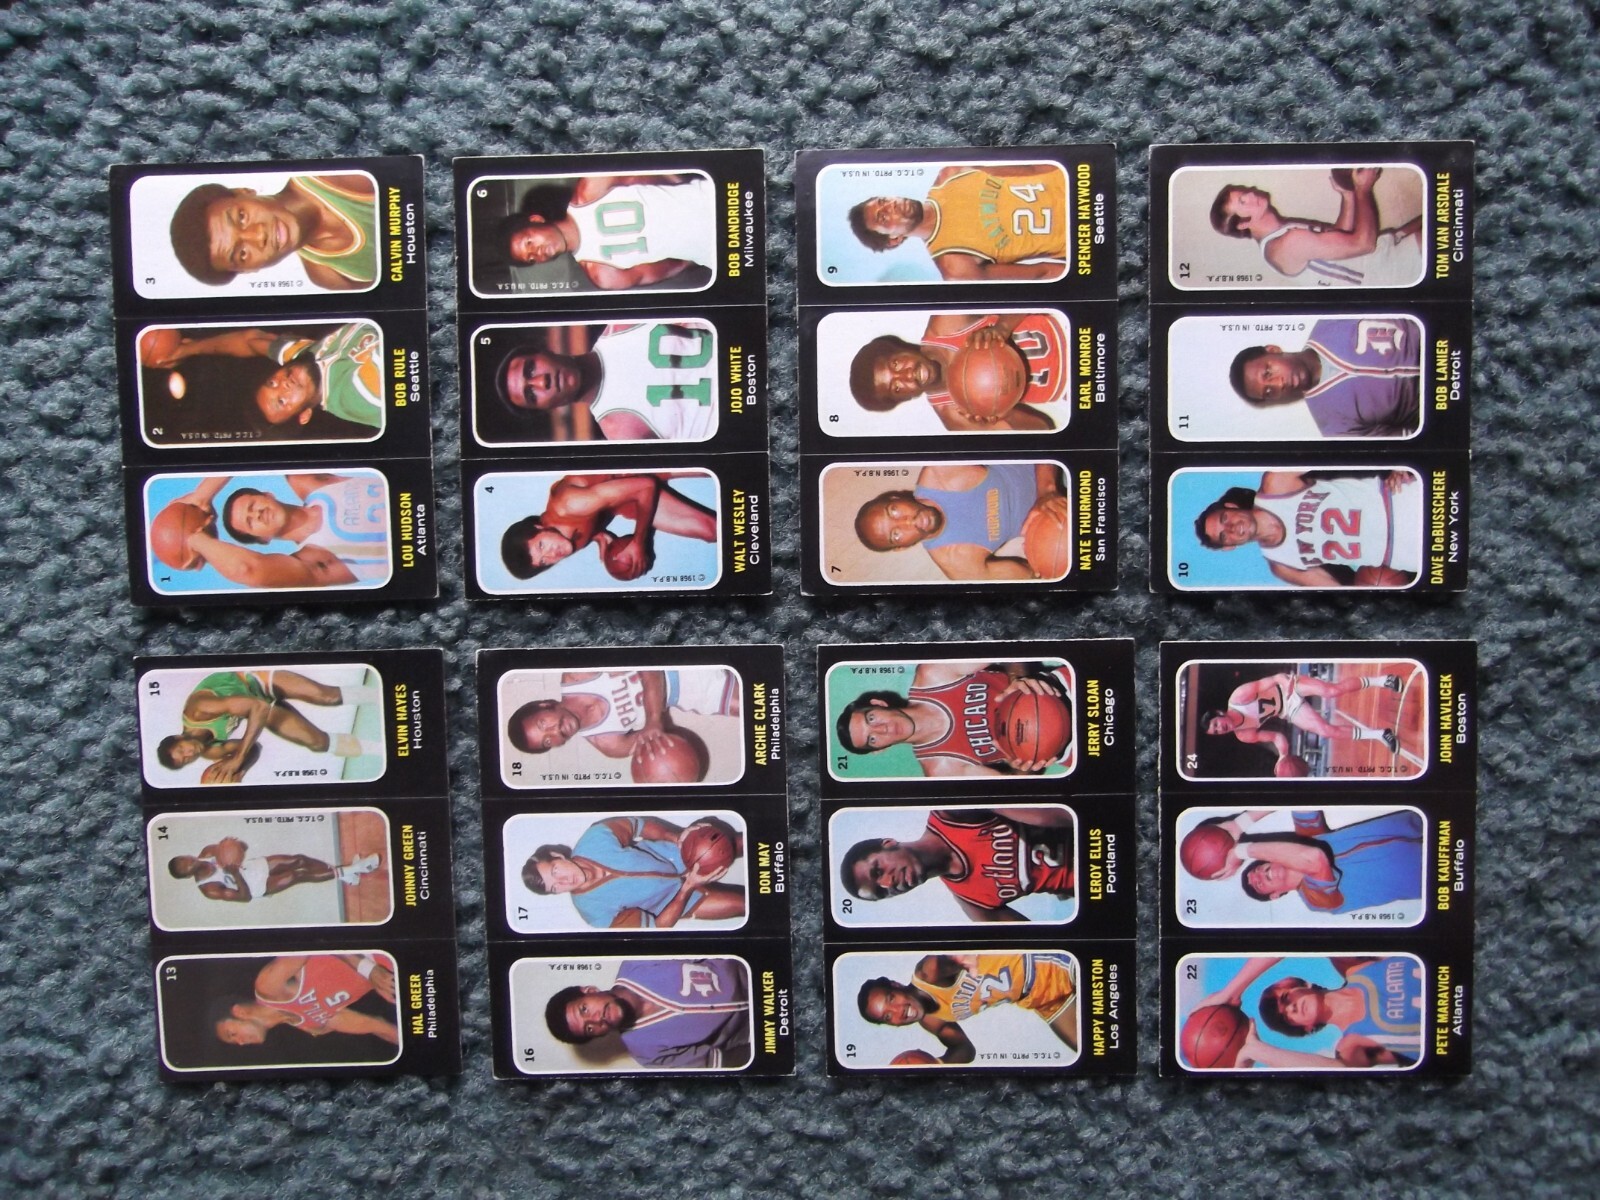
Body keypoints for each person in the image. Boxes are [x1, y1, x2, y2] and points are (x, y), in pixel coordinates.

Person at [835, 660, 1070, 778]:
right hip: (1067, 748)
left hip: (1062, 686)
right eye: (872, 739)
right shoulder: (941, 769)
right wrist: (1024, 769)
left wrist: (1018, 679)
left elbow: (1009, 646)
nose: (882, 729)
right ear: (879, 750)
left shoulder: (934, 673)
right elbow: (1019, 789)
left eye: (872, 718)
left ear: (878, 704)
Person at [1192, 469, 1421, 586]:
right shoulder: (1281, 565)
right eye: (1224, 536)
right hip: (1403, 555)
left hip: (1400, 499)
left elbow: (1339, 450)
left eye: (1225, 519)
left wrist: (1394, 463)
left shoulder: (1275, 483)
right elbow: (1342, 593)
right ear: (1229, 547)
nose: (1232, 528)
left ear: (1231, 507)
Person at [162, 471, 390, 589]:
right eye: (250, 522)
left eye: (252, 506)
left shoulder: (311, 482)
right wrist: (195, 539)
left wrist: (203, 495)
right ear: (263, 540)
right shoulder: (316, 559)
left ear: (268, 495)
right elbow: (247, 569)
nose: (257, 514)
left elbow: (262, 440)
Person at [839, 807, 1074, 921]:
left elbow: (1053, 807)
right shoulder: (974, 904)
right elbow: (1041, 946)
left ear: (889, 843)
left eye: (877, 870)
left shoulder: (951, 813)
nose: (889, 883)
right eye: (881, 891)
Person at [495, 321, 716, 442]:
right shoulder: (619, 432)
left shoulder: (624, 324)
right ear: (545, 409)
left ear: (542, 350)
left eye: (531, 368)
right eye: (531, 394)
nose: (542, 382)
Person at [847, 312, 1068, 431]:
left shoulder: (946, 323)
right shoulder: (955, 416)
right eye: (896, 388)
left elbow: (1024, 291)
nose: (906, 375)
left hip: (1067, 327)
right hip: (1069, 391)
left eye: (895, 364)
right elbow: (1044, 428)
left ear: (900, 347)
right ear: (907, 398)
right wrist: (1004, 414)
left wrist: (1002, 328)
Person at [155, 668, 382, 783]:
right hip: (257, 707)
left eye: (182, 749)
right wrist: (241, 769)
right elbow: (253, 748)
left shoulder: (198, 710)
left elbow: (257, 707)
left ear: (179, 737)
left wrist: (237, 757)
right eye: (186, 760)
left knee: (327, 697)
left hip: (252, 680)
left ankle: (385, 691)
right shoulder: (210, 751)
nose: (190, 754)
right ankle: (380, 749)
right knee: (318, 743)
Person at [143, 323, 385, 430]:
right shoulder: (355, 396)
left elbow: (250, 341)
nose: (282, 385)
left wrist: (187, 349)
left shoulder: (307, 358)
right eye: (282, 401)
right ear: (304, 414)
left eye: (272, 383)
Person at [506, 667, 737, 779]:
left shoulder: (577, 675)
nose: (553, 732)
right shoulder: (609, 744)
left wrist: (653, 719)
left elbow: (648, 662)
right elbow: (663, 745)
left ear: (545, 705)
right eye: (547, 741)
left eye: (542, 724)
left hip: (683, 656)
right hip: (693, 694)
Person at [1208, 167, 1423, 287]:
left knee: (1436, 211)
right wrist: (1363, 189)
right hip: (1384, 272)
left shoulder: (1282, 231)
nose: (1250, 193)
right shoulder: (1286, 245)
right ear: (1243, 224)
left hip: (1382, 249)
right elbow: (1364, 244)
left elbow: (1337, 239)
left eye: (1243, 191)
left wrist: (1348, 196)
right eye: (1242, 202)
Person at [853, 463, 1070, 581]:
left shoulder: (942, 469)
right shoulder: (958, 564)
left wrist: (1047, 491)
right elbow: (1032, 574)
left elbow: (1034, 436)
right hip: (1060, 523)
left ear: (895, 497)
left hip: (1057, 466)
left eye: (893, 511)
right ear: (902, 547)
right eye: (896, 534)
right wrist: (1051, 554)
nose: (908, 521)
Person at [848, 164, 1067, 282]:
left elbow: (1033, 169)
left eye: (883, 200)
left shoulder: (951, 174)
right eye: (883, 217)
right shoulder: (953, 264)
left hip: (1078, 181)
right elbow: (1042, 273)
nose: (891, 206)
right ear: (894, 239)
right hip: (1079, 234)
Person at [1197, 955, 1421, 1068]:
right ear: (1306, 1028)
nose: (1290, 1007)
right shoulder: (1351, 1045)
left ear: (1303, 985)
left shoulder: (1352, 964)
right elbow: (1338, 1074)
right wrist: (1254, 1050)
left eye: (1286, 998)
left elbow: (1293, 933)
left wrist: (1230, 992)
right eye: (1286, 1017)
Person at [1186, 808, 1424, 915]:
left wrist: (1239, 824)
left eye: (1255, 871)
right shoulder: (1314, 900)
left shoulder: (1311, 837)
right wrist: (1239, 851)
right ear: (1276, 895)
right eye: (1258, 884)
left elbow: (1294, 783)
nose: (1256, 875)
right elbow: (1314, 860)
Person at [497, 173, 715, 290]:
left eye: (529, 242)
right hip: (713, 253)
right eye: (531, 258)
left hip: (710, 198)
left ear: (536, 220)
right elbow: (666, 269)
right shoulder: (601, 275)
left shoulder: (590, 188)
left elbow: (650, 171)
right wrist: (700, 251)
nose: (537, 253)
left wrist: (686, 191)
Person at [523, 815, 745, 929]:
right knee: (744, 904)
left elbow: (639, 825)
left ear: (557, 855)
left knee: (740, 842)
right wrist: (688, 887)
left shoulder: (594, 838)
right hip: (679, 901)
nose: (564, 881)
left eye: (555, 871)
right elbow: (658, 927)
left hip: (676, 853)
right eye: (555, 887)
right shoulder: (593, 913)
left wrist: (678, 838)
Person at [858, 952, 1078, 1063]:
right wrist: (938, 1065)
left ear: (896, 986)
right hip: (1038, 1000)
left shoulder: (927, 973)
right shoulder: (931, 1021)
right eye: (888, 1016)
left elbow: (945, 960)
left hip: (1044, 965)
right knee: (1090, 1050)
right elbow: (965, 1049)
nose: (899, 1011)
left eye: (891, 999)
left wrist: (956, 959)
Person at [169, 174, 378, 291]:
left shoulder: (335, 178)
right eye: (242, 253)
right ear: (249, 270)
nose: (258, 236)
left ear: (244, 192)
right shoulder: (327, 275)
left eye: (241, 217)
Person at [498, 472, 717, 582]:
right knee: (712, 530)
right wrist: (600, 537)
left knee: (707, 464)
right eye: (544, 561)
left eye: (541, 546)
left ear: (539, 527)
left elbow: (646, 486)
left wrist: (639, 542)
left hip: (629, 465)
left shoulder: (570, 504)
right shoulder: (564, 543)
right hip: (622, 498)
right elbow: (586, 527)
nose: (552, 554)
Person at [1228, 317, 1420, 437]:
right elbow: (1411, 437)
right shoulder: (1334, 426)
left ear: (1273, 350)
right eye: (1269, 392)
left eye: (1269, 373)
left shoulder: (1334, 320)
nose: (1280, 384)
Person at [545, 957, 751, 1068]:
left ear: (590, 990)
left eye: (584, 1009)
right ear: (599, 1035)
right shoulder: (648, 1055)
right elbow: (725, 1061)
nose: (597, 1019)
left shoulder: (639, 960)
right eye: (589, 1028)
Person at [1201, 671, 1400, 766]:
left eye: (1216, 724)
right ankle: (1381, 734)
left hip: (1287, 687)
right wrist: (1282, 757)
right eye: (1216, 732)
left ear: (1220, 713)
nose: (1220, 729)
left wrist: (1287, 684)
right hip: (1288, 710)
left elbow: (1275, 678)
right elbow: (1276, 737)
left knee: (1331, 691)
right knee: (1326, 731)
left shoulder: (1239, 697)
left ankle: (1384, 680)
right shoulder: (1243, 735)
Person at [213, 953, 399, 1047]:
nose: (240, 1042)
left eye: (232, 1034)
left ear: (239, 1011)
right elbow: (378, 1027)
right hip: (394, 970)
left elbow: (320, 934)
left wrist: (367, 968)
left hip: (376, 944)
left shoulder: (268, 987)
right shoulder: (311, 1026)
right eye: (235, 1042)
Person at [169, 835, 381, 902]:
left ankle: (347, 874)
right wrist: (233, 873)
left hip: (253, 867)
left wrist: (235, 846)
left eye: (186, 859)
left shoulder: (208, 851)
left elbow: (242, 847)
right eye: (187, 867)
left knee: (299, 859)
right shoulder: (208, 889)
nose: (191, 862)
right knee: (298, 875)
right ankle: (357, 868)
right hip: (255, 887)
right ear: (188, 875)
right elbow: (244, 898)